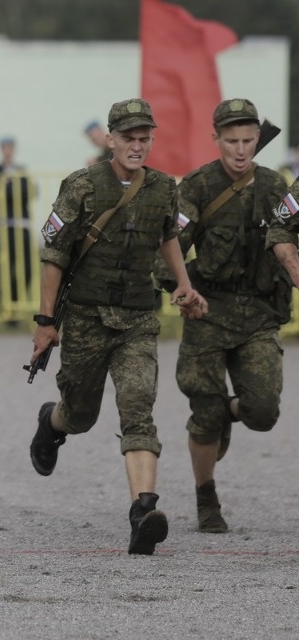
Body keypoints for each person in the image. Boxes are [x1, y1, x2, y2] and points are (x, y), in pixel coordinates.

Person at [28, 99, 207, 556]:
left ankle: (142, 512)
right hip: (86, 319)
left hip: (137, 320)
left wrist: (183, 285)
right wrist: (46, 323)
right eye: (128, 137)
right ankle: (52, 422)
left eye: (144, 137)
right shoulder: (82, 186)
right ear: (110, 139)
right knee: (81, 414)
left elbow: (168, 236)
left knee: (137, 406)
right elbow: (54, 257)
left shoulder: (165, 188)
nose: (137, 145)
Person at [168, 99, 293, 534]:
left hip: (258, 313)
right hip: (209, 311)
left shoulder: (277, 186)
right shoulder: (198, 187)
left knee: (263, 411)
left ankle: (230, 411)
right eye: (232, 141)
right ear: (216, 139)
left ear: (258, 139)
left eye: (248, 141)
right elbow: (170, 250)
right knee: (205, 414)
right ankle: (207, 498)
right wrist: (182, 291)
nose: (240, 150)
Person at [0, 136, 36, 307]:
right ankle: (8, 308)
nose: (8, 151)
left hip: (22, 226)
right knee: (6, 270)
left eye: (10, 147)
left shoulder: (21, 169)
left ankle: (16, 302)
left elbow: (30, 192)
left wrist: (11, 187)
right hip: (5, 227)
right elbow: (0, 194)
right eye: (5, 148)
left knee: (28, 269)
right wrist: (15, 189)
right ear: (1, 150)